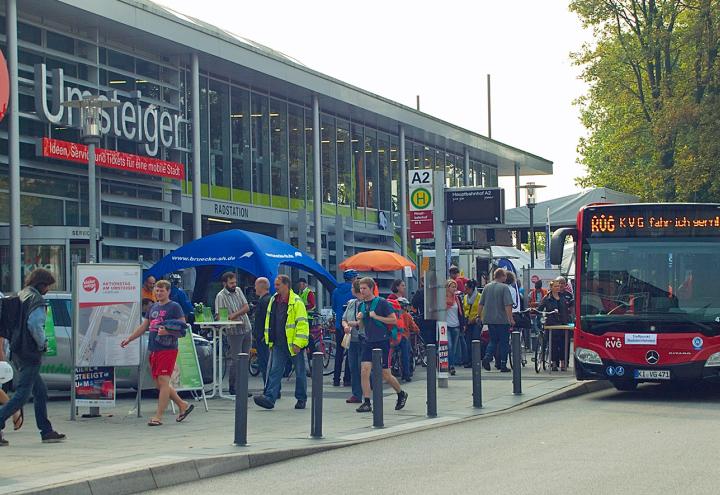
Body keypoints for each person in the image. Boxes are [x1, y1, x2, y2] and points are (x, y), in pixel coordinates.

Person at [0, 269, 65, 446]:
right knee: (22, 395)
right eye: (48, 286)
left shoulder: (22, 294)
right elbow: (35, 325)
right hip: (30, 352)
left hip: (18, 349)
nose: (48, 290)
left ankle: (46, 430)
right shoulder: (36, 299)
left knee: (40, 391)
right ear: (42, 284)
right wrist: (42, 344)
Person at [122, 279, 194, 426]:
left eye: (162, 290)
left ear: (168, 292)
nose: (159, 292)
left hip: (168, 348)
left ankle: (158, 416)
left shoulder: (174, 307)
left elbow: (182, 328)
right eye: (157, 290)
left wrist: (167, 331)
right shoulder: (153, 307)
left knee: (163, 381)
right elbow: (144, 326)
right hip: (154, 348)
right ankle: (182, 405)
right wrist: (130, 338)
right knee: (160, 384)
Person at [254, 275, 309, 410]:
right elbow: (270, 321)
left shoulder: (297, 302)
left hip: (293, 343)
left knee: (300, 372)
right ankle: (270, 398)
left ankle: (301, 398)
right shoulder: (274, 300)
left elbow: (302, 324)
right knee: (274, 371)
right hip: (278, 343)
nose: (275, 287)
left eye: (278, 285)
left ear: (286, 285)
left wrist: (298, 343)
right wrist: (269, 339)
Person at [355, 277, 408, 413]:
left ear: (372, 288)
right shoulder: (361, 305)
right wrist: (359, 319)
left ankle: (401, 393)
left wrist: (375, 316)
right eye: (360, 288)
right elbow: (361, 326)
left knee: (386, 374)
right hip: (368, 340)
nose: (362, 291)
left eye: (364, 288)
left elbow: (393, 320)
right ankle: (366, 401)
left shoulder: (382, 303)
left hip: (383, 341)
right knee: (364, 371)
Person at [214, 272, 252, 396]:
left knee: (245, 359)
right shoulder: (220, 296)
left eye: (235, 282)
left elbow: (246, 307)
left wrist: (234, 315)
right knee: (236, 359)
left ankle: (243, 387)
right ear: (225, 283)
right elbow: (221, 316)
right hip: (234, 331)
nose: (234, 285)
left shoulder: (239, 291)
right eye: (231, 283)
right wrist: (232, 319)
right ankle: (234, 387)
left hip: (246, 327)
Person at [479, 268, 514, 372]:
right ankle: (503, 364)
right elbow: (508, 304)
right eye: (505, 276)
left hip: (489, 319)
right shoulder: (504, 288)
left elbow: (481, 303)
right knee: (504, 342)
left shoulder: (487, 287)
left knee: (493, 340)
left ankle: (487, 357)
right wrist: (510, 318)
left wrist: (478, 315)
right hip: (502, 320)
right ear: (502, 276)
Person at [537, 280, 572, 371]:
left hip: (563, 324)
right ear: (551, 287)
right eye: (556, 286)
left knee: (564, 343)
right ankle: (553, 362)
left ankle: (563, 362)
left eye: (559, 286)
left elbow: (567, 309)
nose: (558, 287)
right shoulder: (547, 298)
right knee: (553, 344)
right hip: (552, 324)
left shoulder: (564, 297)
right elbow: (540, 309)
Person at [331, 269, 358, 387]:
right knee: (350, 352)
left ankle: (336, 379)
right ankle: (347, 378)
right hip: (350, 325)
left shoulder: (336, 291)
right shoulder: (354, 291)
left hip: (339, 325)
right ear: (353, 279)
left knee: (339, 352)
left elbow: (334, 307)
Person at [342, 280, 363, 403]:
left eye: (352, 287)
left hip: (363, 339)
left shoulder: (366, 304)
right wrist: (345, 325)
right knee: (353, 367)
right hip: (352, 339)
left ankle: (366, 391)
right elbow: (344, 318)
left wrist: (354, 324)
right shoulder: (351, 303)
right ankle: (356, 394)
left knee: (363, 367)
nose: (350, 289)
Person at [387, 290, 411, 382]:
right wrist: (417, 330)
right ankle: (406, 374)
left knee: (388, 355)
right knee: (406, 354)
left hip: (392, 337)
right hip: (403, 337)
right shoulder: (406, 315)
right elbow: (412, 326)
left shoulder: (392, 314)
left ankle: (388, 372)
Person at [253, 277, 272, 387]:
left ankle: (269, 388)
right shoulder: (266, 300)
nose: (254, 288)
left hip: (263, 338)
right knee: (266, 363)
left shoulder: (265, 301)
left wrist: (264, 335)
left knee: (265, 364)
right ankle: (270, 388)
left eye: (256, 285)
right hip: (263, 337)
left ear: (261, 286)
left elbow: (266, 319)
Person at [445, 279, 465, 376]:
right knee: (449, 346)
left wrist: (462, 324)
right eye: (452, 287)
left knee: (454, 348)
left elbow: (461, 312)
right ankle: (450, 365)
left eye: (455, 286)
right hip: (447, 326)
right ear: (447, 288)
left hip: (456, 325)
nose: (455, 288)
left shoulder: (457, 299)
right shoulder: (443, 300)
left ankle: (451, 365)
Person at [412, 276, 436, 346]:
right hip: (435, 318)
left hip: (424, 318)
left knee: (426, 339)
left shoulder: (420, 292)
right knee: (434, 339)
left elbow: (414, 305)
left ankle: (429, 354)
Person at [462, 280, 481, 367]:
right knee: (468, 341)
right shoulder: (465, 297)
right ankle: (469, 360)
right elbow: (464, 309)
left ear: (472, 288)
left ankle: (475, 360)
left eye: (466, 288)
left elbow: (482, 309)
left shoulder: (479, 297)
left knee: (475, 340)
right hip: (467, 322)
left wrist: (476, 318)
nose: (465, 290)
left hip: (476, 322)